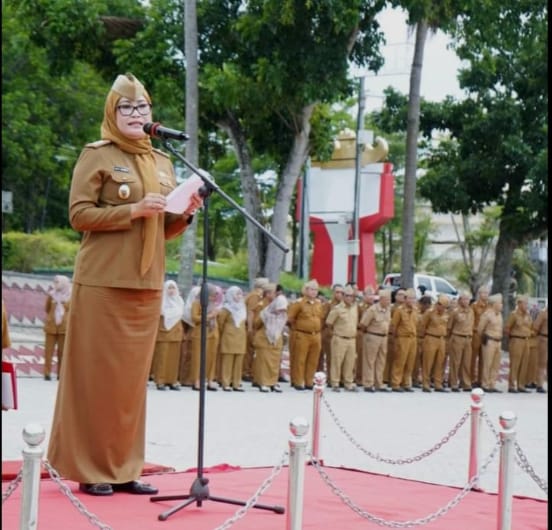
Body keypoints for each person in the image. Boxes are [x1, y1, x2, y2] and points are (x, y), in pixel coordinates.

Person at [46, 73, 203, 497]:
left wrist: (186, 212)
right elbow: (79, 215)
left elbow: (162, 229)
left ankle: (124, 467)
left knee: (131, 386)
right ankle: (90, 468)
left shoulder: (162, 161)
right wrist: (132, 210)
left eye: (142, 106)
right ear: (111, 113)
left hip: (146, 285)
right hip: (103, 283)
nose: (136, 114)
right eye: (126, 107)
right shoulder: (97, 155)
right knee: (95, 378)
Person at [287, 279, 324, 390]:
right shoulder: (299, 303)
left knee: (313, 360)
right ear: (306, 290)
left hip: (316, 335)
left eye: (316, 290)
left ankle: (309, 381)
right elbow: (290, 318)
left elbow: (321, 318)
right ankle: (298, 381)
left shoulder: (318, 303)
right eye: (311, 289)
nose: (314, 292)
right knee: (300, 359)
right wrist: (296, 329)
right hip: (302, 334)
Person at [253, 288, 289, 392]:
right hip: (264, 339)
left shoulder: (283, 316)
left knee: (275, 362)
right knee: (264, 362)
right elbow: (256, 324)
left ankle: (273, 382)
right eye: (280, 308)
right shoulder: (265, 313)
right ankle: (263, 383)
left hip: (276, 340)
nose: (281, 311)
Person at [152, 280, 185, 391]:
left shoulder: (179, 301)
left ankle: (172, 380)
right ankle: (160, 381)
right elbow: (160, 313)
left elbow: (181, 314)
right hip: (164, 332)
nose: (171, 290)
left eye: (173, 288)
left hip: (176, 332)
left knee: (174, 358)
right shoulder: (161, 301)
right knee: (162, 358)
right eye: (169, 288)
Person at [325, 285, 359, 392]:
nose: (349, 298)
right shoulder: (337, 309)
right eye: (347, 296)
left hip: (352, 339)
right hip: (339, 338)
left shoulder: (354, 308)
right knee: (337, 361)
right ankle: (335, 383)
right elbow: (329, 323)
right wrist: (336, 333)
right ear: (343, 296)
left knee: (350, 362)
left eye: (351, 296)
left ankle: (348, 383)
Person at [189, 282, 221, 391]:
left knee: (211, 358)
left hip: (213, 333)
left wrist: (216, 315)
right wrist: (209, 316)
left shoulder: (213, 305)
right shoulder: (197, 303)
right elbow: (194, 318)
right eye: (212, 295)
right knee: (198, 358)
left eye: (215, 295)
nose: (214, 297)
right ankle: (197, 381)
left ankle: (209, 380)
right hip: (200, 333)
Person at [217, 286, 247, 391]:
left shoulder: (243, 307)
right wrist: (226, 332)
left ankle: (236, 383)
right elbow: (220, 323)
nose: (239, 296)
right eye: (236, 294)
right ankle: (226, 383)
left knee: (239, 361)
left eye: (240, 294)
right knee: (228, 360)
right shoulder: (226, 308)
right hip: (229, 337)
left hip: (241, 337)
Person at [42, 275, 72, 381]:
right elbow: (47, 309)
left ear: (63, 283)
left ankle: (60, 374)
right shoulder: (51, 295)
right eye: (54, 282)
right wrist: (52, 317)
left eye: (57, 282)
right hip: (51, 327)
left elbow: (72, 310)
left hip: (64, 328)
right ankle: (47, 373)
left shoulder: (71, 296)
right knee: (48, 352)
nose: (55, 284)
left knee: (62, 352)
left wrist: (62, 306)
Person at [504, 294, 532, 393]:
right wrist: (511, 338)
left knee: (524, 363)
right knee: (515, 363)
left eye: (527, 303)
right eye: (525, 303)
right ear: (519, 304)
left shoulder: (528, 315)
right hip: (516, 340)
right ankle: (512, 385)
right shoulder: (514, 314)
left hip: (526, 340)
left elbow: (530, 327)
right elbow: (507, 328)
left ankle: (521, 385)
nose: (527, 305)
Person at [477, 293, 504, 393]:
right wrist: (485, 337)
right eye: (500, 303)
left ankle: (492, 384)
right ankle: (485, 384)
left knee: (496, 365)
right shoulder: (487, 314)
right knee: (488, 364)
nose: (501, 305)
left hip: (498, 341)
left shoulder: (500, 314)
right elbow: (480, 329)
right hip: (490, 341)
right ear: (494, 304)